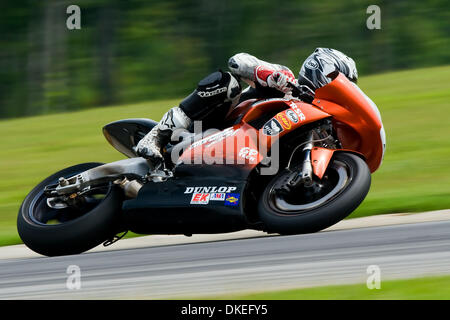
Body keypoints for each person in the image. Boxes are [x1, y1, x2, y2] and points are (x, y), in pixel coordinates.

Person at [136, 48, 358, 165]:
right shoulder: (286, 78)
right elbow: (237, 61)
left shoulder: (318, 123)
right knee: (226, 83)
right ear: (323, 68)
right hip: (218, 126)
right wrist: (272, 76)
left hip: (242, 156)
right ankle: (157, 136)